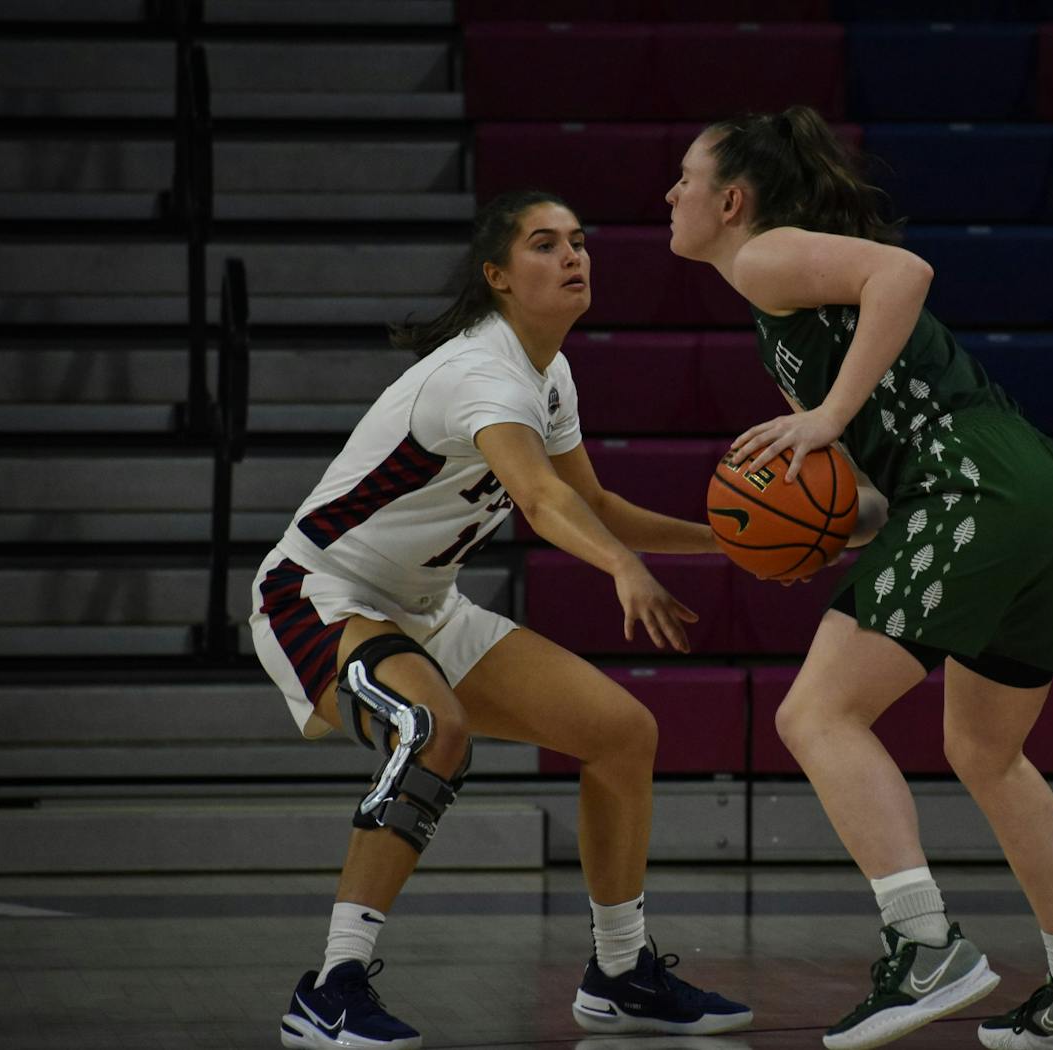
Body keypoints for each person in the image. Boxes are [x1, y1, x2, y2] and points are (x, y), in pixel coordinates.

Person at [666, 107, 1053, 1050]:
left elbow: (904, 272)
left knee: (814, 715)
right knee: (986, 753)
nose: (669, 195)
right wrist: (820, 534)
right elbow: (872, 493)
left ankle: (925, 946)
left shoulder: (766, 258)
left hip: (973, 481)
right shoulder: (776, 322)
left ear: (731, 200)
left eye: (684, 177)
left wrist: (831, 416)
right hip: (1037, 489)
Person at [251, 189, 751, 1050]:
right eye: (545, 244)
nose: (572, 256)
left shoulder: (548, 373)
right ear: (498, 277)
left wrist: (734, 545)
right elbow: (542, 498)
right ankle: (330, 987)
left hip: (425, 606)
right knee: (432, 728)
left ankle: (621, 972)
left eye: (580, 241)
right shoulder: (479, 370)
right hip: (320, 594)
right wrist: (621, 569)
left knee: (622, 733)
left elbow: (596, 503)